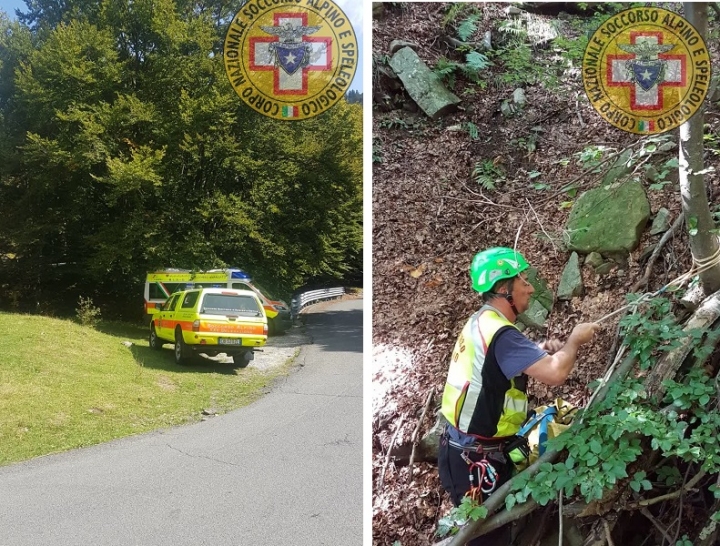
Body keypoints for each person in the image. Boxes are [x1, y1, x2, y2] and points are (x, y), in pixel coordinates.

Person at [438, 247, 599, 545]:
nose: (529, 286)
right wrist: (574, 341)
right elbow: (555, 374)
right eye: (522, 280)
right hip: (475, 458)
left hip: (464, 450)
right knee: (487, 540)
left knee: (489, 534)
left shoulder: (482, 322)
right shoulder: (501, 333)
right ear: (503, 289)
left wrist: (536, 350)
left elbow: (494, 367)